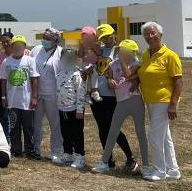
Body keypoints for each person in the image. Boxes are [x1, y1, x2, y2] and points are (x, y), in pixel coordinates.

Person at [93, 39, 149, 176]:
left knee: (141, 133)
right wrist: (110, 81)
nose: (121, 53)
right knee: (112, 131)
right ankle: (104, 162)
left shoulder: (137, 63)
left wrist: (122, 61)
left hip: (135, 101)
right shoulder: (112, 64)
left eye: (124, 51)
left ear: (132, 52)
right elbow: (110, 79)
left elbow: (128, 74)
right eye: (120, 50)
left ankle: (146, 166)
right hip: (121, 102)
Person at [136, 21, 183, 182]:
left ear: (160, 35)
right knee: (164, 137)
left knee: (154, 136)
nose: (150, 36)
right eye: (146, 34)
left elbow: (178, 81)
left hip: (164, 100)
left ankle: (159, 170)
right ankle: (173, 170)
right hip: (150, 100)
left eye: (153, 33)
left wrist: (173, 104)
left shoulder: (170, 55)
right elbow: (141, 73)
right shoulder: (145, 54)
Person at [89, 24, 136, 171]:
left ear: (114, 34)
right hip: (97, 95)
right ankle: (107, 161)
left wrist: (113, 79)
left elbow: (133, 69)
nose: (107, 40)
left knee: (112, 128)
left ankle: (130, 158)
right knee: (102, 128)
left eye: (109, 36)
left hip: (114, 96)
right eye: (103, 38)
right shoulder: (99, 51)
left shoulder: (122, 50)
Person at [0, 35, 40, 159]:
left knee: (28, 127)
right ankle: (16, 149)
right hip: (12, 101)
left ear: (24, 47)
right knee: (14, 126)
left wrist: (34, 97)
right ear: (12, 47)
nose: (18, 48)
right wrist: (3, 97)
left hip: (27, 101)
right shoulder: (7, 61)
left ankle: (30, 150)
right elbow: (3, 80)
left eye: (20, 46)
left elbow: (34, 79)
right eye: (15, 46)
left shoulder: (30, 60)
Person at [30, 28, 64, 160]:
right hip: (37, 93)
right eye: (44, 37)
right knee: (36, 123)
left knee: (55, 123)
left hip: (53, 94)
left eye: (48, 38)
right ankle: (36, 148)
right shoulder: (36, 49)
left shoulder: (61, 52)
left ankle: (56, 151)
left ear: (55, 40)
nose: (45, 40)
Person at [54, 48, 87, 168]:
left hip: (74, 109)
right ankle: (68, 154)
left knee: (77, 133)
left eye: (70, 58)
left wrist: (79, 109)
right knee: (65, 132)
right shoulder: (59, 74)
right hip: (62, 109)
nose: (67, 60)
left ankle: (80, 156)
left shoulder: (77, 74)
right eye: (65, 58)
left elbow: (81, 92)